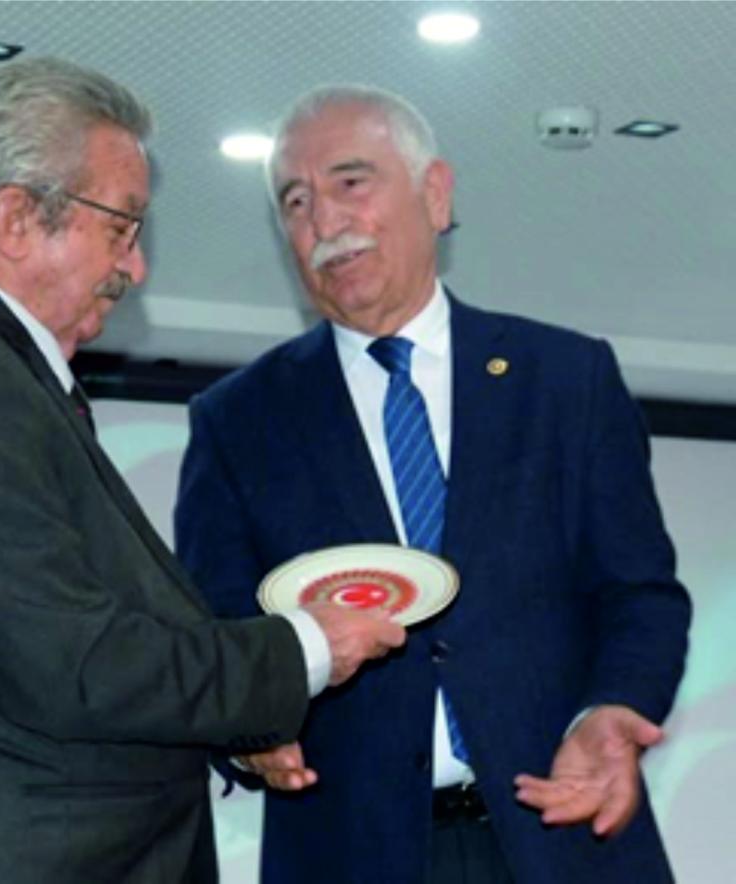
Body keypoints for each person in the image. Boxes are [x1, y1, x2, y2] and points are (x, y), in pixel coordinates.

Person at [0, 61, 407, 884]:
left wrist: (234, 721)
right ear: (15, 218)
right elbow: (72, 664)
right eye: (122, 228)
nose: (135, 268)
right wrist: (304, 647)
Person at [175, 85, 691, 884]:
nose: (325, 221)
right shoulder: (237, 421)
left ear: (436, 195)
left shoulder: (565, 378)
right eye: (296, 202)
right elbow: (216, 634)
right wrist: (249, 735)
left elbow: (640, 594)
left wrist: (614, 712)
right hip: (349, 855)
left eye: (351, 182)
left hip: (563, 838)